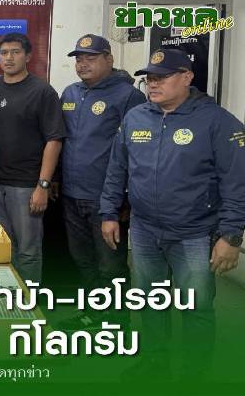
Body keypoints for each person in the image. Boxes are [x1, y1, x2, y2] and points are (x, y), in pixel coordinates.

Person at [100, 48, 245, 380]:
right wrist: (108, 212)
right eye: (150, 78)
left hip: (194, 233)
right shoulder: (136, 118)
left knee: (196, 306)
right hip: (144, 230)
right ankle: (156, 363)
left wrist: (231, 235)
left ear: (187, 77)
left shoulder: (218, 122)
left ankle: (194, 374)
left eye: (162, 78)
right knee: (150, 301)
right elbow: (116, 169)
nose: (153, 84)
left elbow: (237, 182)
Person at [55, 34, 146, 330]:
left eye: (91, 58)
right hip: (71, 194)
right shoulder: (70, 93)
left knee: (111, 265)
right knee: (83, 260)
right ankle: (93, 314)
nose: (83, 64)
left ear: (109, 59)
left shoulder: (128, 96)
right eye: (79, 59)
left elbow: (137, 151)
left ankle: (117, 321)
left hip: (107, 199)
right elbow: (61, 141)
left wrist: (126, 199)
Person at [0, 33, 66, 282]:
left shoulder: (42, 91)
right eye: (4, 53)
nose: (9, 58)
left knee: (28, 251)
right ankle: (7, 297)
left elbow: (54, 140)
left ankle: (28, 301)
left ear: (28, 56)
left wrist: (43, 185)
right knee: (2, 248)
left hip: (27, 186)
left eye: (15, 52)